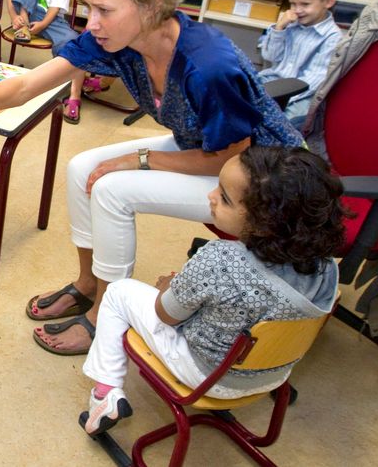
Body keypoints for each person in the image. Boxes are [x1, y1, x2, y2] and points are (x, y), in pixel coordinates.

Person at [0, 0, 303, 356]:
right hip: (201, 147)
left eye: (104, 10)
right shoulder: (120, 40)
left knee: (112, 188)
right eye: (89, 8)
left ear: (152, 4)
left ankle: (104, 317)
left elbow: (230, 157)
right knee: (82, 168)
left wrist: (139, 158)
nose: (91, 22)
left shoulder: (208, 66)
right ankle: (89, 283)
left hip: (261, 180)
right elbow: (24, 87)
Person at [82, 146, 342, 435]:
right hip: (272, 374)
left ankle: (105, 395)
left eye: (225, 197)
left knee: (118, 293)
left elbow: (166, 315)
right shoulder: (326, 267)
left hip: (206, 374)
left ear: (265, 224)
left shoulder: (219, 258)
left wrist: (169, 288)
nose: (210, 196)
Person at [7, 0, 82, 123]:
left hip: (50, 18)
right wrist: (15, 17)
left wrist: (41, 25)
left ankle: (74, 96)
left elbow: (55, 9)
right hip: (25, 13)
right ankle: (23, 28)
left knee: (75, 43)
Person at [257, 0, 343, 130]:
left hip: (302, 94)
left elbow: (313, 80)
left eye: (305, 4)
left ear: (328, 2)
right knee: (237, 96)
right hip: (274, 80)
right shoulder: (291, 24)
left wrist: (274, 100)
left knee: (284, 125)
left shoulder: (333, 37)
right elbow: (270, 56)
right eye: (293, 4)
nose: (297, 10)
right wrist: (279, 28)